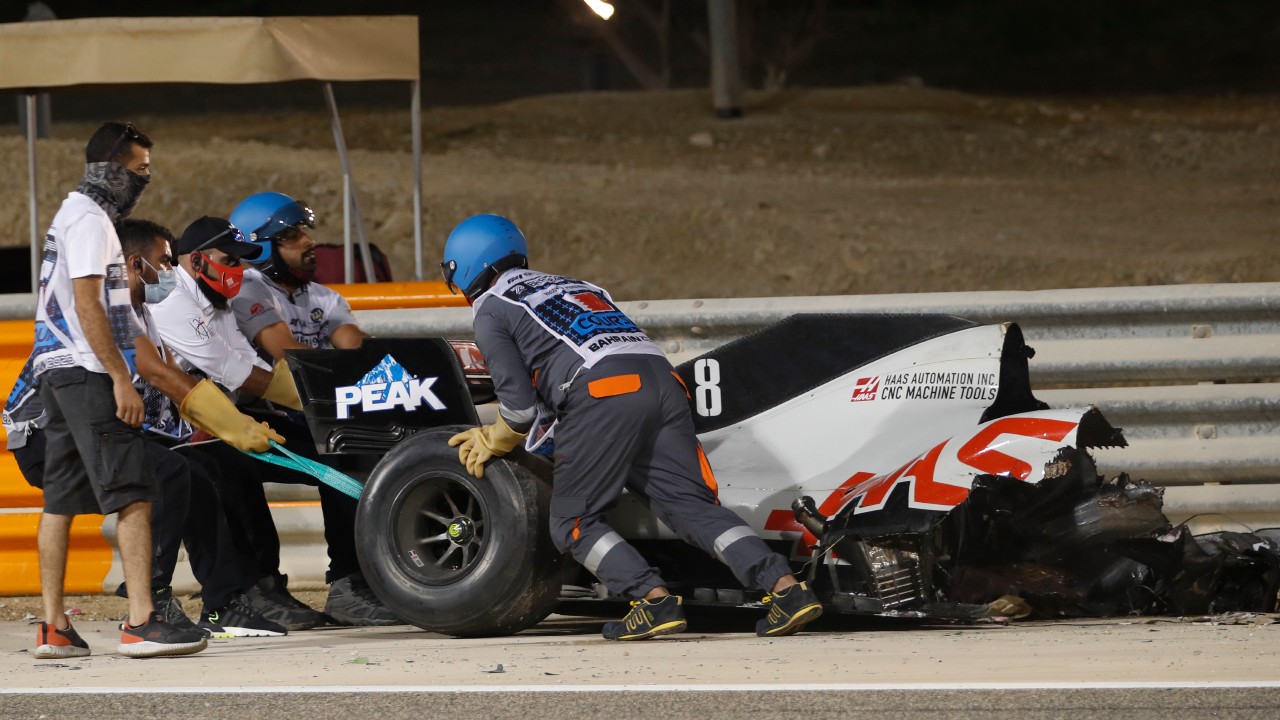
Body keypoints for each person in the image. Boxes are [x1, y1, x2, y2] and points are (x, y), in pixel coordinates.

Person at [440, 214, 824, 641]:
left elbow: (519, 410)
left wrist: (493, 439)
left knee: (573, 520)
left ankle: (652, 600)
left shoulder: (493, 308)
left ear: (464, 268)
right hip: (663, 384)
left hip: (604, 393)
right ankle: (787, 590)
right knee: (690, 506)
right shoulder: (577, 286)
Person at [7, 219, 289, 640]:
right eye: (166, 262)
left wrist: (234, 426)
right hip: (45, 437)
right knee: (169, 474)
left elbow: (179, 389)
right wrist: (234, 425)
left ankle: (223, 604)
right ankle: (149, 604)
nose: (173, 272)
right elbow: (159, 374)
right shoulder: (108, 302)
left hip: (93, 428)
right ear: (136, 265)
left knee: (199, 469)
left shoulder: (142, 313)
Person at [150, 215, 394, 627]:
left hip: (220, 420)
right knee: (226, 469)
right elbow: (237, 372)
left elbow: (253, 371)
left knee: (338, 446)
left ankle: (350, 584)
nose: (239, 271)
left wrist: (331, 407)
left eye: (243, 261)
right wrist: (328, 397)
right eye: (229, 260)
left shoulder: (219, 304)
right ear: (195, 261)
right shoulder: (175, 304)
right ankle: (256, 591)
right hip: (184, 434)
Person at [25, 121, 206, 658]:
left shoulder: (73, 216)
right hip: (87, 371)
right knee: (134, 492)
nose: (145, 180)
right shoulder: (90, 222)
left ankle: (54, 628)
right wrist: (121, 377)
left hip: (56, 370)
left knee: (59, 500)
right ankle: (141, 622)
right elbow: (91, 305)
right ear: (112, 167)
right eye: (140, 169)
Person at [226, 192, 400, 627]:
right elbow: (286, 354)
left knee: (355, 451)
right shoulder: (249, 288)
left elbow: (355, 350)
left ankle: (353, 584)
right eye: (291, 236)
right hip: (245, 419)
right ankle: (261, 589)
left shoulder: (324, 297)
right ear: (261, 248)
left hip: (303, 417)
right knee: (234, 466)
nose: (308, 242)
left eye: (304, 232)